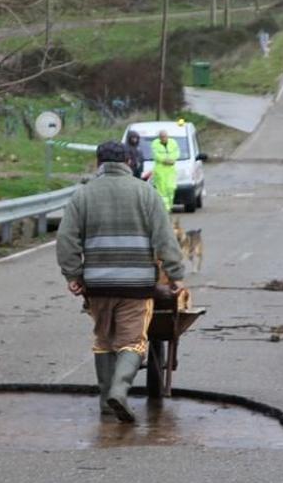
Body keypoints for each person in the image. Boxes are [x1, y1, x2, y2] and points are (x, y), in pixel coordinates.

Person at [56, 141, 184, 423]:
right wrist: (175, 275)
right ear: (129, 161)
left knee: (104, 340)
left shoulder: (83, 195)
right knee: (134, 341)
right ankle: (119, 390)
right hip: (136, 287)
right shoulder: (146, 193)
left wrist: (73, 274)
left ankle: (105, 402)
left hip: (98, 286)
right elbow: (165, 238)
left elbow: (66, 239)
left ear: (98, 162)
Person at [150, 130, 180, 212]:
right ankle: (164, 209)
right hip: (160, 171)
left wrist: (172, 160)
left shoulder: (173, 143)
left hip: (170, 170)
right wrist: (164, 160)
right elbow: (156, 155)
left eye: (165, 136)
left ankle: (169, 206)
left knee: (171, 188)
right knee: (161, 191)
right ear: (159, 137)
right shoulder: (155, 144)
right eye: (162, 137)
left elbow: (177, 153)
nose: (164, 138)